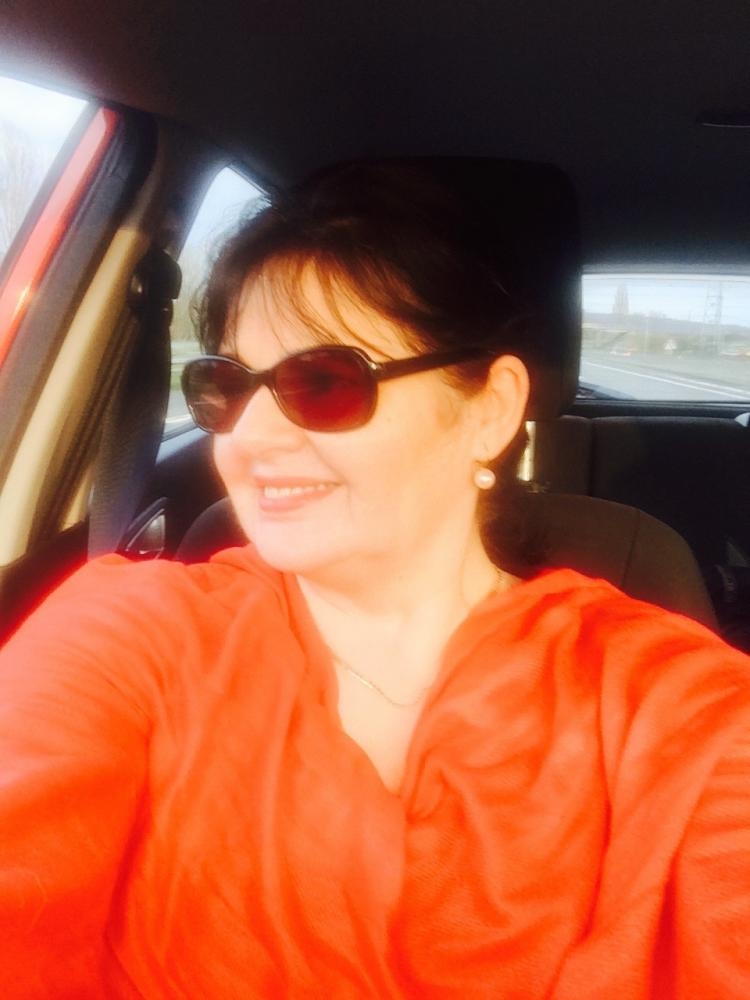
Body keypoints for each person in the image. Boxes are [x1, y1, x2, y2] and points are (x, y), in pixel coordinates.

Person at [1, 160, 748, 1000]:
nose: (248, 439)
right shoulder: (137, 626)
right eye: (225, 388)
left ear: (490, 409)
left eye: (322, 382)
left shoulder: (660, 698)